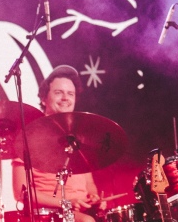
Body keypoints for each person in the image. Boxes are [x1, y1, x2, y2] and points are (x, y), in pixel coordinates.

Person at [12, 65, 107, 222]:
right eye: (58, 92)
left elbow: (89, 184)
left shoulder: (78, 138)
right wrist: (66, 203)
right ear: (44, 98)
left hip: (80, 211)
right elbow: (20, 192)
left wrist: (94, 197)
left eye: (70, 94)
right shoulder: (29, 137)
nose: (65, 98)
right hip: (48, 214)